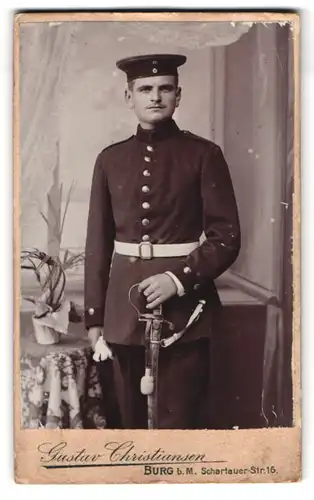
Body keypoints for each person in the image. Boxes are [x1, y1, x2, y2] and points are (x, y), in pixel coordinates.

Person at [84, 53, 241, 429]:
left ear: (178, 95)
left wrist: (176, 280)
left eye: (164, 88)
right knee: (129, 424)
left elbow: (226, 237)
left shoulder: (204, 155)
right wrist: (94, 316)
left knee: (179, 424)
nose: (155, 96)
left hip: (186, 312)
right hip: (123, 311)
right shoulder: (110, 160)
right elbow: (97, 243)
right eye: (145, 89)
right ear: (129, 97)